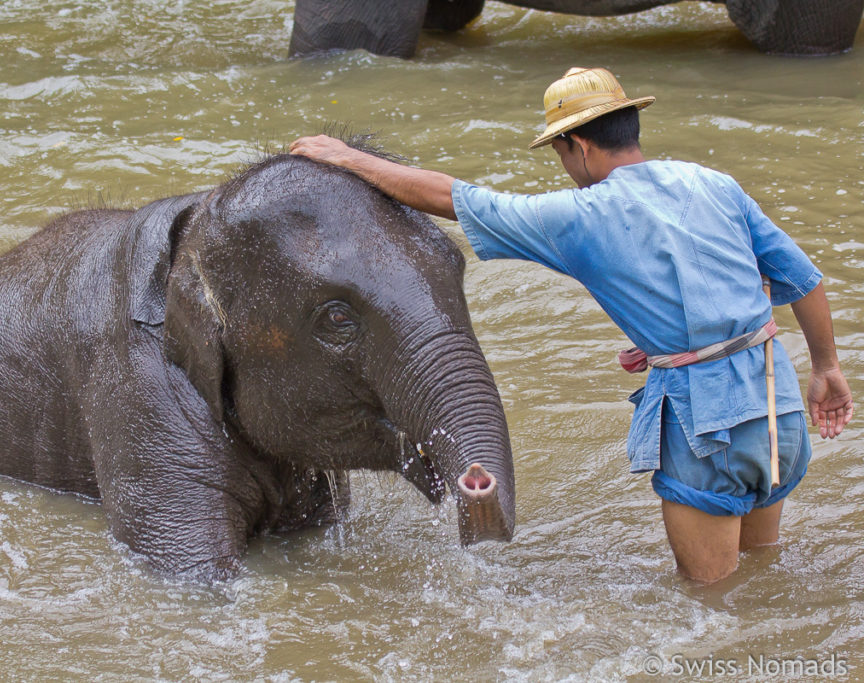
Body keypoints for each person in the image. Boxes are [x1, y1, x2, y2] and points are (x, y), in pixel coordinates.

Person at [289, 66, 854, 584]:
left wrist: (350, 159)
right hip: (776, 399)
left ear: (578, 146)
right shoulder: (713, 183)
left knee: (709, 597)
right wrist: (826, 367)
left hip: (709, 424)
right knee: (759, 576)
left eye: (560, 153)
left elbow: (453, 197)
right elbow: (800, 280)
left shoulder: (579, 215)